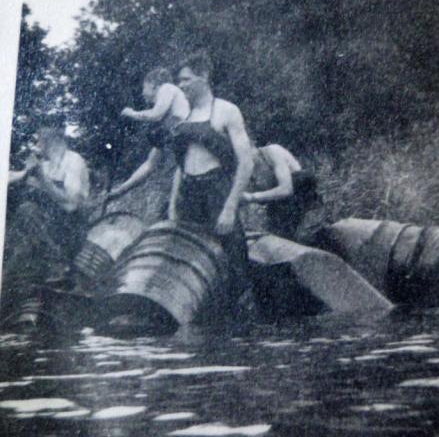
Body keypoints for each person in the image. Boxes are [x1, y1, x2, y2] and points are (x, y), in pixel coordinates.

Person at [168, 50, 254, 307]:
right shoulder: (183, 117)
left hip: (217, 191)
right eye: (179, 81)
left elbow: (246, 162)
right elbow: (179, 167)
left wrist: (229, 207)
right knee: (188, 261)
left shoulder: (226, 110)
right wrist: (173, 204)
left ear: (204, 76)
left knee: (233, 260)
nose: (181, 86)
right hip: (188, 194)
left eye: (186, 79)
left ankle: (241, 322)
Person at [7, 126, 91, 276]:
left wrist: (43, 180)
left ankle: (60, 265)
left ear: (50, 142)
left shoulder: (73, 161)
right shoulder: (46, 166)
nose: (36, 147)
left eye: (39, 142)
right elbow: (15, 176)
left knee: (28, 210)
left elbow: (71, 204)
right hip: (51, 230)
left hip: (72, 229)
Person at [107, 67, 190, 202]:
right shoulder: (167, 125)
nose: (142, 93)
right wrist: (121, 190)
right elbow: (149, 165)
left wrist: (132, 113)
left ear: (153, 85)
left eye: (143, 88)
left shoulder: (167, 88)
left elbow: (156, 114)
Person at [242, 143, 321, 240]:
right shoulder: (245, 170)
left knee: (304, 238)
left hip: (303, 201)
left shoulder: (271, 152)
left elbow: (286, 189)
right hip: (279, 211)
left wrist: (252, 196)